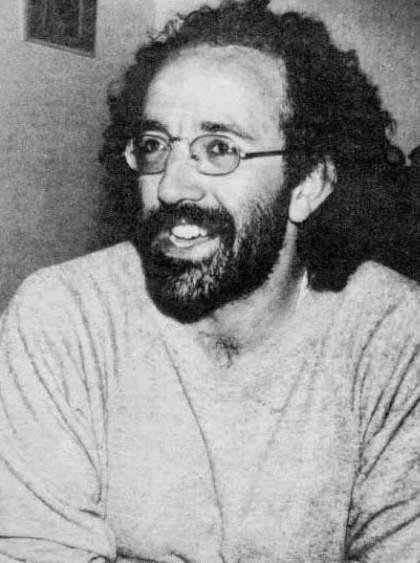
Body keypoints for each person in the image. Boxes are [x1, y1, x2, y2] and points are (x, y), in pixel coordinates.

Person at [0, 0, 419, 561]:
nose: (171, 186)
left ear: (308, 185)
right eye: (155, 145)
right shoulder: (63, 316)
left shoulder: (396, 339)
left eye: (219, 149)